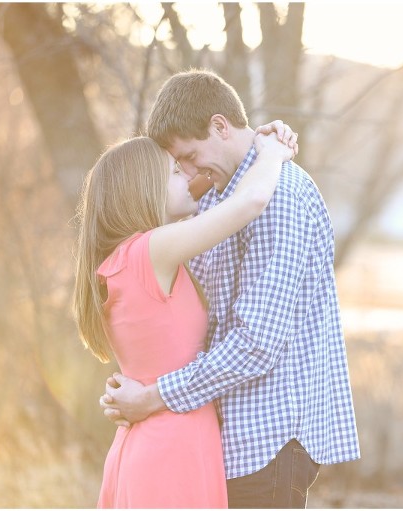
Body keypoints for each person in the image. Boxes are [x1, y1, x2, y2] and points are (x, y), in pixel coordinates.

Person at [100, 69, 361, 508]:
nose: (187, 171)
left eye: (189, 155)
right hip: (223, 441)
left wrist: (154, 396)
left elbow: (255, 344)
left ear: (220, 126)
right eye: (177, 165)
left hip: (267, 443)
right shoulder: (219, 195)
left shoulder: (281, 197)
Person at [73, 122, 297, 508]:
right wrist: (273, 152)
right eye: (176, 172)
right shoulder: (149, 251)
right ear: (145, 189)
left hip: (152, 442)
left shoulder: (123, 261)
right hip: (172, 447)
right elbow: (249, 202)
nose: (188, 177)